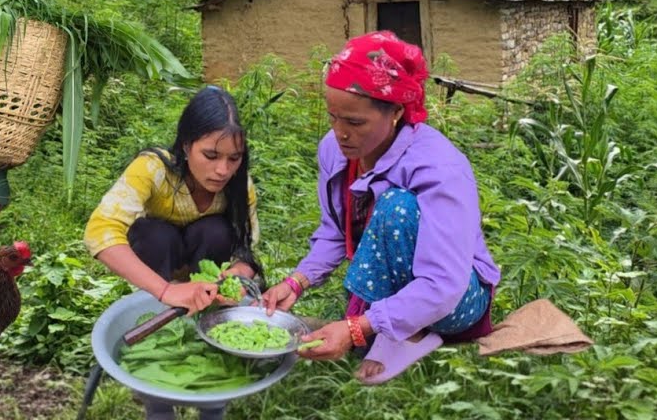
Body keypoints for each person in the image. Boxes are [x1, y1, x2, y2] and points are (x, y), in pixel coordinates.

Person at [261, 31, 499, 384]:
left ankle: (405, 333)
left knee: (396, 206)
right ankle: (385, 325)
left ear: (397, 113)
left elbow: (444, 285)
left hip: (455, 300)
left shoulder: (440, 168)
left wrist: (358, 328)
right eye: (333, 118)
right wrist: (295, 283)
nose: (340, 133)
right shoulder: (336, 151)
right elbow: (335, 231)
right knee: (389, 208)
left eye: (355, 122)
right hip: (394, 285)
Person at [84, 85, 259, 420]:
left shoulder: (239, 187)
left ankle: (212, 400)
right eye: (211, 155)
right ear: (186, 145)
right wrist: (166, 290)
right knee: (154, 233)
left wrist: (235, 277)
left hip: (208, 287)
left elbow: (246, 253)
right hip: (158, 277)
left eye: (233, 159)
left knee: (215, 230)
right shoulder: (152, 169)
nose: (222, 170)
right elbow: (99, 231)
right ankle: (158, 403)